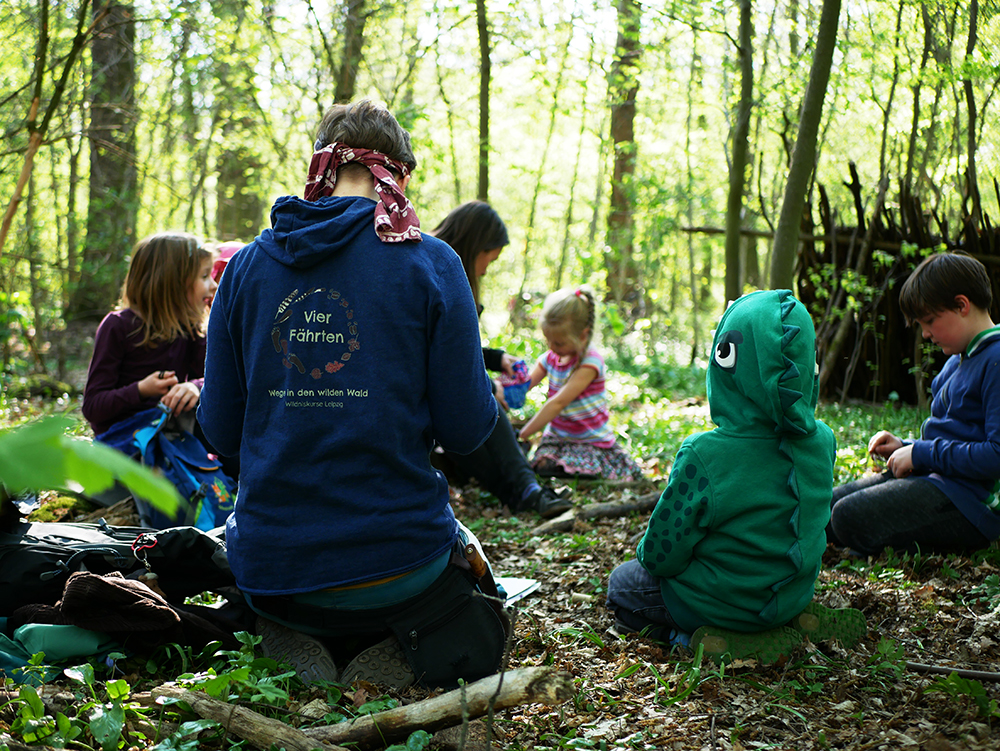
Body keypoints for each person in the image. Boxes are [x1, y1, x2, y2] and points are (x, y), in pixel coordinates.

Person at [197, 99, 508, 689]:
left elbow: (218, 428)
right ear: (397, 173)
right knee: (472, 586)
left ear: (323, 168)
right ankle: (385, 650)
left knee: (285, 589)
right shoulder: (433, 264)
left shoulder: (243, 270)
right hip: (398, 567)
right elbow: (469, 430)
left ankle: (292, 637)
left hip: (272, 567)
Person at [606, 290, 865, 664]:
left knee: (622, 584)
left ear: (726, 360)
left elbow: (662, 555)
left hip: (720, 603)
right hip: (792, 594)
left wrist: (648, 555)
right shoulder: (822, 441)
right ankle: (790, 620)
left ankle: (700, 636)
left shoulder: (705, 454)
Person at [828, 251, 1000, 556]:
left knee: (846, 517)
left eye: (930, 320)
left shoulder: (996, 360)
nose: (926, 333)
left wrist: (920, 453)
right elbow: (949, 439)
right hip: (934, 481)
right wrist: (903, 446)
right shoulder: (957, 359)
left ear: (962, 305)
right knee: (825, 507)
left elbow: (996, 455)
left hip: (967, 503)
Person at [430, 201, 572, 518]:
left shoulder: (448, 272)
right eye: (488, 260)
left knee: (473, 427)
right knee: (485, 407)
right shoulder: (433, 270)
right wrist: (488, 384)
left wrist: (496, 359)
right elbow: (436, 355)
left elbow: (451, 347)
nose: (486, 269)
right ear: (475, 246)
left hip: (441, 399)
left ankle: (524, 494)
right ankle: (528, 490)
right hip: (422, 395)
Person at [82, 232, 217, 438]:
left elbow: (213, 380)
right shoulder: (117, 326)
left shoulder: (191, 328)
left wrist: (194, 386)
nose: (214, 285)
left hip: (172, 436)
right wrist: (140, 390)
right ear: (173, 282)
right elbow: (93, 407)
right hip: (123, 443)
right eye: (204, 276)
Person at [518, 286, 644, 481]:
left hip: (589, 439)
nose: (552, 347)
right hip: (558, 437)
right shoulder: (551, 358)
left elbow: (557, 403)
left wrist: (523, 434)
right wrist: (504, 390)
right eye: (548, 341)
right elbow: (524, 385)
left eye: (559, 343)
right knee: (543, 465)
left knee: (579, 469)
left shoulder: (589, 363)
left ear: (583, 335)